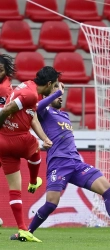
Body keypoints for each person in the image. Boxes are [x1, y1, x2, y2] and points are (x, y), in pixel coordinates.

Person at [11, 82, 110, 242]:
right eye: (56, 90)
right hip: (58, 165)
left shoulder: (65, 116)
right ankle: (26, 232)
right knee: (51, 203)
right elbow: (37, 107)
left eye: (62, 92)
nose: (61, 95)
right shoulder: (44, 112)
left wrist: (56, 93)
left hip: (76, 163)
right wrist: (56, 93)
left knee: (108, 190)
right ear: (47, 94)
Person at [0, 66, 59, 242]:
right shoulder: (31, 95)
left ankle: (23, 229)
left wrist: (45, 137)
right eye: (54, 86)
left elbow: (31, 116)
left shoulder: (27, 86)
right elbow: (8, 109)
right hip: (18, 138)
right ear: (48, 83)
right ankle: (33, 182)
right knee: (35, 150)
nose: (54, 88)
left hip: (2, 143)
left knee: (14, 190)